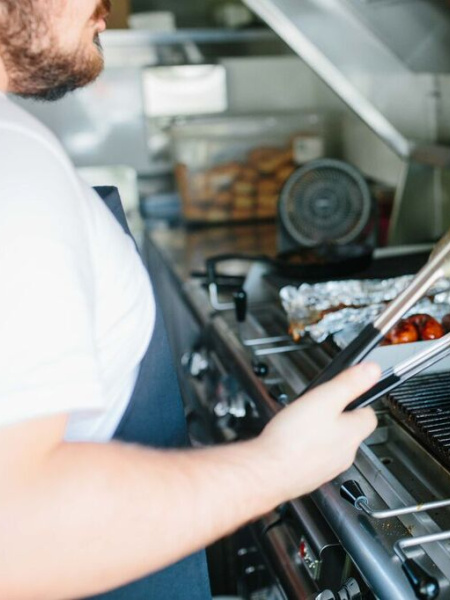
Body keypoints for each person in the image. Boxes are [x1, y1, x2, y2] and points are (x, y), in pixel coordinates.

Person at [0, 1, 380, 598]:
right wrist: (276, 468)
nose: (108, 6)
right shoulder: (14, 161)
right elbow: (19, 532)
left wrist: (188, 473)